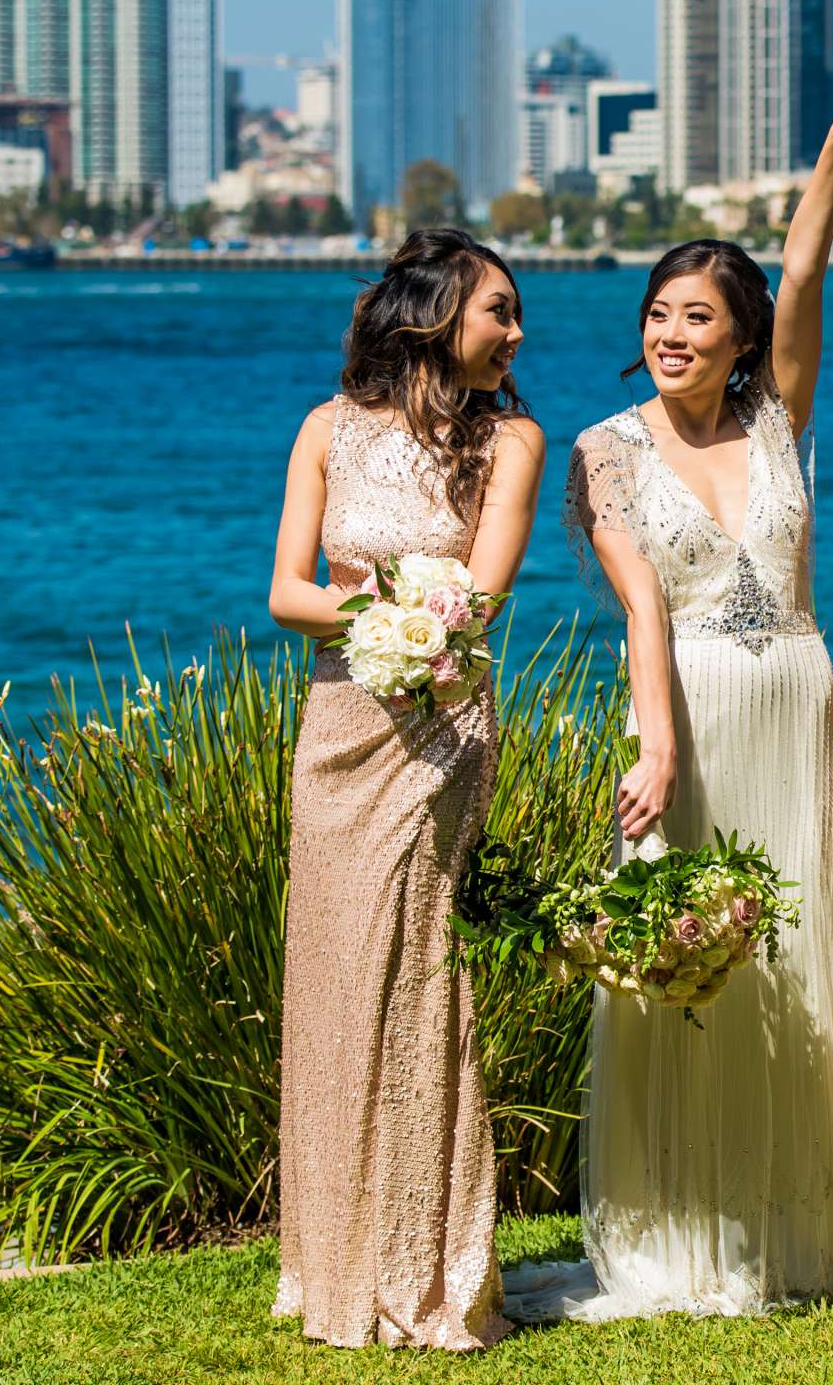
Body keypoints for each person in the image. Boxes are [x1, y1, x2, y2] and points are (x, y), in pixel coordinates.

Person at [510, 101, 833, 1321]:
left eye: (696, 316)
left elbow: (805, 266)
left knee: (792, 958)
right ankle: (678, 1229)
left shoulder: (782, 418)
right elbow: (642, 605)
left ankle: (794, 1226)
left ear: (743, 334)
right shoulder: (602, 448)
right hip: (690, 719)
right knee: (683, 969)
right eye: (656, 314)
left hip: (793, 710)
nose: (669, 332)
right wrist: (656, 744)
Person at [266, 228, 547, 1349]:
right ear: (436, 314)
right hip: (335, 722)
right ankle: (331, 1261)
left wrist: (405, 613)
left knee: (417, 972)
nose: (515, 334)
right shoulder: (326, 430)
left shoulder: (511, 441)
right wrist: (379, 615)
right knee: (335, 978)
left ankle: (428, 1263)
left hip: (440, 729)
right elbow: (286, 592)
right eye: (498, 312)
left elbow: (481, 596)